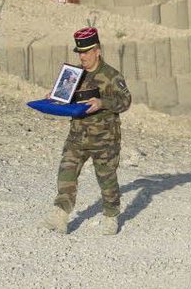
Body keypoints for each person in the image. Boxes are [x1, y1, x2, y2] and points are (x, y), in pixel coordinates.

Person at [43, 27, 132, 236]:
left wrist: (102, 102)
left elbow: (125, 101)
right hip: (77, 136)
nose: (82, 56)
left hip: (105, 139)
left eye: (86, 52)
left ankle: (110, 216)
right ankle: (60, 215)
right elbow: (64, 97)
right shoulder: (74, 75)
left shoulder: (111, 76)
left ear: (97, 51)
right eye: (80, 52)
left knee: (106, 178)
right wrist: (53, 97)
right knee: (66, 173)